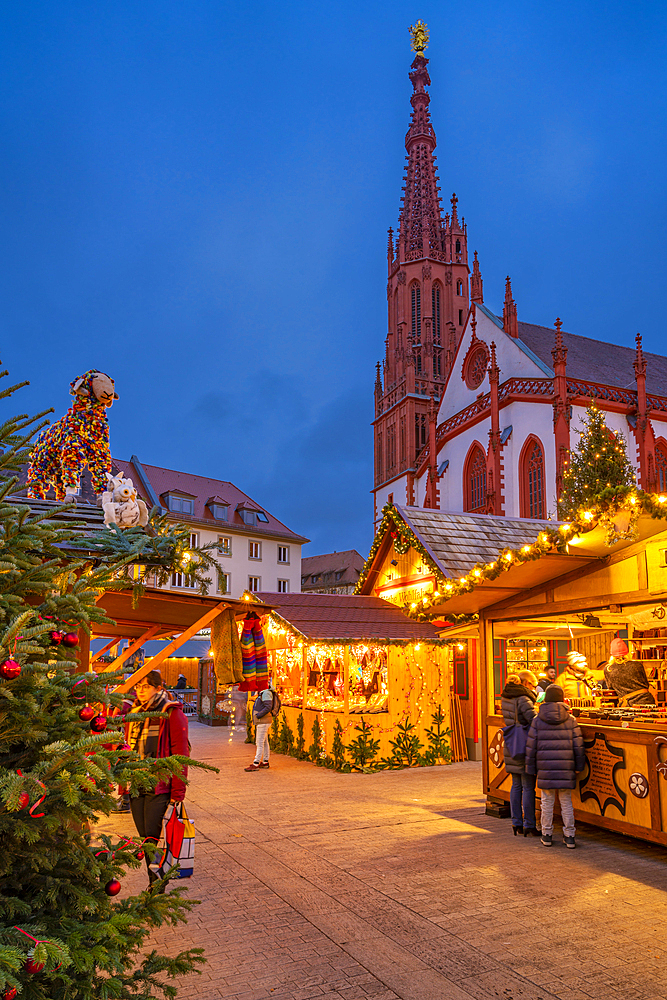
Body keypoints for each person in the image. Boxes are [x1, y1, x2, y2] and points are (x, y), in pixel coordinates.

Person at [125, 669, 189, 884]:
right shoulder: (134, 711)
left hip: (159, 785)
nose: (141, 690)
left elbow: (180, 755)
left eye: (146, 686)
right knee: (146, 839)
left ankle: (156, 886)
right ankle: (159, 874)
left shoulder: (170, 712)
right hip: (135, 783)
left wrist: (178, 793)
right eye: (138, 686)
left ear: (158, 687)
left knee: (151, 838)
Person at [525, 685, 585, 849]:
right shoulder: (571, 719)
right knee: (566, 802)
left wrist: (531, 769)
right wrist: (579, 766)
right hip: (566, 767)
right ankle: (570, 836)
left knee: (547, 802)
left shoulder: (537, 720)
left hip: (545, 767)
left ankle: (547, 834)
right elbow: (578, 746)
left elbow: (531, 747)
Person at [501, 670, 538, 837]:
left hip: (511, 744)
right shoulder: (523, 698)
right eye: (533, 685)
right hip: (525, 744)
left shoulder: (506, 696)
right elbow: (534, 719)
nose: (535, 688)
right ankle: (529, 824)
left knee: (516, 785)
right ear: (525, 683)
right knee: (528, 786)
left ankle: (516, 822)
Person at [245, 683, 277, 772]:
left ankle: (256, 763)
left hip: (263, 721)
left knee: (259, 742)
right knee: (265, 742)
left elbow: (268, 707)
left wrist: (258, 715)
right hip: (263, 721)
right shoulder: (264, 692)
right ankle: (265, 761)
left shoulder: (266, 693)